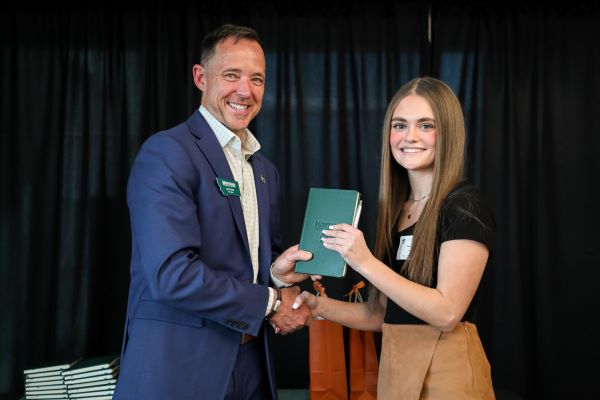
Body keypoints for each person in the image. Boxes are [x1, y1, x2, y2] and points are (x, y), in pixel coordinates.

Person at [113, 24, 314, 400]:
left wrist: (279, 278)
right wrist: (271, 303)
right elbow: (172, 275)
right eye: (232, 75)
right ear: (200, 77)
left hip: (251, 364)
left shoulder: (264, 170)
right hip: (178, 371)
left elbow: (246, 269)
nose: (245, 91)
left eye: (257, 79)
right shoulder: (167, 153)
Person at [294, 77, 497, 399]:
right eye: (399, 125)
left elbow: (447, 313)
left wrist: (364, 261)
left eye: (426, 125)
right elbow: (379, 314)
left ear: (448, 133)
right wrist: (317, 306)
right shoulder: (398, 210)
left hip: (449, 374)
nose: (409, 137)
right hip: (396, 370)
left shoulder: (464, 205)